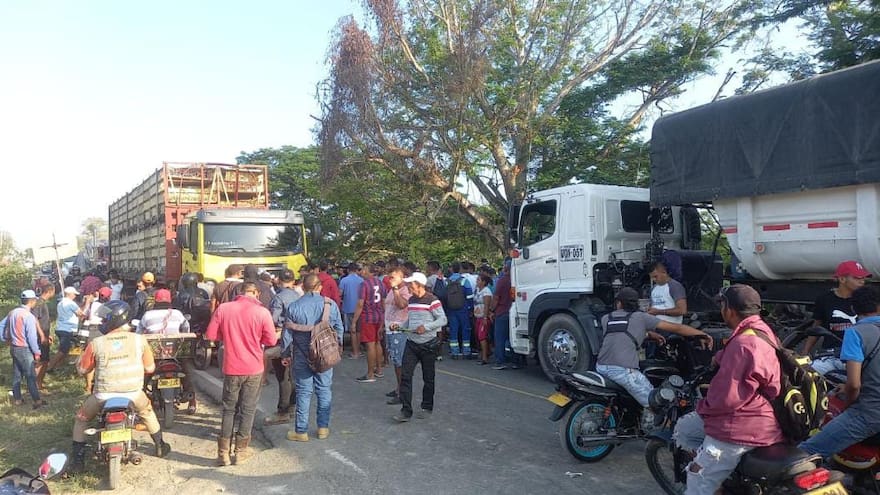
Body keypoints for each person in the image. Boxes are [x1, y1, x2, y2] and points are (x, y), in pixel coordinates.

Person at [673, 285, 783, 495]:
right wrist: (721, 357)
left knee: (697, 476)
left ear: (729, 309)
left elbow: (726, 399)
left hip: (739, 426)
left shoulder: (743, 343)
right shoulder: (761, 330)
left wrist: (704, 405)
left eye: (722, 304)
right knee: (689, 429)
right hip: (766, 418)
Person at [70, 300, 170, 473]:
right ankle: (160, 445)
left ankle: (78, 461)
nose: (102, 322)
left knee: (81, 419)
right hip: (133, 394)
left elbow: (82, 369)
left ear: (113, 319)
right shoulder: (140, 340)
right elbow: (150, 368)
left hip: (102, 396)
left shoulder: (96, 343)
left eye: (104, 319)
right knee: (147, 412)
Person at [596, 288, 712, 428]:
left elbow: (620, 331)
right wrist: (701, 334)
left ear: (619, 303)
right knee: (656, 401)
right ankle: (657, 432)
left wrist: (650, 335)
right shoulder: (641, 317)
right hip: (622, 370)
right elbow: (676, 328)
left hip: (601, 366)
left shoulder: (606, 318)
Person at [800, 285, 880, 458]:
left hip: (870, 414)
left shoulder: (855, 333)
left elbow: (854, 384)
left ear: (853, 309)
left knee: (804, 453)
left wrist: (849, 406)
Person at [205, 281, 277, 466]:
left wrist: (228, 335)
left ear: (239, 292)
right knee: (248, 408)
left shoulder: (224, 309)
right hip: (253, 368)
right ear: (256, 293)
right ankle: (241, 451)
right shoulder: (262, 312)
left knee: (229, 409)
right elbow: (270, 340)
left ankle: (223, 453)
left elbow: (211, 335)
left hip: (231, 367)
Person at [282, 274, 343, 442]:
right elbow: (339, 328)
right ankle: (323, 428)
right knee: (324, 390)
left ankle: (301, 431)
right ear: (320, 287)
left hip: (302, 354)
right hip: (325, 355)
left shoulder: (293, 307)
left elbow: (287, 334)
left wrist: (285, 354)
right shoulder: (330, 305)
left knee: (303, 392)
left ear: (302, 287)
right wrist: (337, 348)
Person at [392, 272, 447, 423]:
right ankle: (405, 410)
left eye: (411, 285)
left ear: (419, 285)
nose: (409, 287)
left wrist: (427, 327)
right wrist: (401, 326)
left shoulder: (432, 300)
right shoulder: (411, 300)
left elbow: (442, 319)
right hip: (412, 343)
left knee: (428, 377)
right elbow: (411, 319)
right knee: (405, 376)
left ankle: (427, 406)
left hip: (428, 344)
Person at [804, 260, 871, 375]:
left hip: (857, 358)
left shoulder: (866, 300)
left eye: (863, 278)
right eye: (856, 278)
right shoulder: (825, 299)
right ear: (842, 279)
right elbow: (817, 326)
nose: (862, 281)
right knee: (807, 375)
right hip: (830, 356)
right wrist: (805, 351)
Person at [264, 269, 301, 426]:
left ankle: (283, 411)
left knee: (283, 376)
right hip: (299, 338)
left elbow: (272, 319)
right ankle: (292, 406)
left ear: (278, 280)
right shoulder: (298, 296)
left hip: (282, 338)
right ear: (293, 281)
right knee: (293, 375)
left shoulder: (278, 298)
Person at [0, 290, 45, 408]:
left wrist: (4, 339)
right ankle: (37, 400)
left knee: (17, 374)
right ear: (32, 301)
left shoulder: (13, 312)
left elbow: (1, 325)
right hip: (24, 348)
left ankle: (17, 399)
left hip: (14, 347)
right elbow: (31, 337)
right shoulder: (28, 316)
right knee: (30, 375)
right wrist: (37, 352)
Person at [354, 263, 387, 383]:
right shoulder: (381, 283)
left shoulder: (364, 285)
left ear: (370, 272)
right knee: (378, 343)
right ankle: (379, 369)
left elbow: (360, 304)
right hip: (379, 316)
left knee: (370, 345)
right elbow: (384, 302)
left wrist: (354, 321)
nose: (362, 271)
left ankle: (370, 373)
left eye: (364, 269)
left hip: (368, 317)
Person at [384, 267, 410, 404]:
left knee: (399, 362)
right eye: (390, 277)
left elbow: (401, 305)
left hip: (398, 330)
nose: (390, 280)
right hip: (390, 329)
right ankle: (398, 387)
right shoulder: (391, 290)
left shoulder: (404, 291)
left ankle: (402, 392)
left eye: (393, 277)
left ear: (402, 278)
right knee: (395, 360)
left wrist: (395, 289)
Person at [45, 287, 85, 373]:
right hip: (67, 329)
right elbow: (81, 313)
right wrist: (87, 303)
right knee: (62, 351)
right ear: (70, 294)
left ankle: (56, 367)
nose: (75, 296)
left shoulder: (60, 303)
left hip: (61, 328)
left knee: (66, 350)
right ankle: (49, 367)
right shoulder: (71, 304)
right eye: (74, 294)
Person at [490, 260, 518, 370]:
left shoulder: (502, 281)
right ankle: (516, 361)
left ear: (505, 268)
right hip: (515, 312)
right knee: (513, 338)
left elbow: (496, 298)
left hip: (502, 312)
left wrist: (491, 310)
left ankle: (500, 361)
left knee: (500, 338)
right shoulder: (517, 280)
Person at [447, 261, 475, 359]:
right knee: (465, 329)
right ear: (460, 269)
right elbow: (469, 296)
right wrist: (470, 308)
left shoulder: (447, 281)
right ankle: (466, 351)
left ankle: (454, 351)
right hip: (463, 309)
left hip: (451, 309)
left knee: (453, 330)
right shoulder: (464, 281)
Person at [338, 262, 364, 358]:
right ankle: (359, 349)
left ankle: (355, 352)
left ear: (348, 270)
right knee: (358, 330)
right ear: (357, 270)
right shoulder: (361, 280)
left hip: (348, 307)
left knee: (352, 331)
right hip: (360, 308)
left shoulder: (344, 280)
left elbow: (340, 293)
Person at [32, 283, 55, 392]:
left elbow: (43, 321)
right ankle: (36, 383)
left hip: (44, 334)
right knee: (41, 361)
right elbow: (35, 319)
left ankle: (39, 382)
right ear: (50, 291)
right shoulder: (39, 303)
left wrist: (47, 334)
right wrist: (42, 335)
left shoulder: (42, 303)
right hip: (39, 337)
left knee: (45, 360)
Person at [473, 274, 494, 365]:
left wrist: (485, 317)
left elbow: (486, 305)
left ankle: (484, 357)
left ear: (484, 282)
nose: (477, 282)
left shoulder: (486, 292)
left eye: (478, 280)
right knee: (478, 335)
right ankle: (487, 351)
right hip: (477, 316)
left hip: (483, 317)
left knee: (482, 336)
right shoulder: (477, 290)